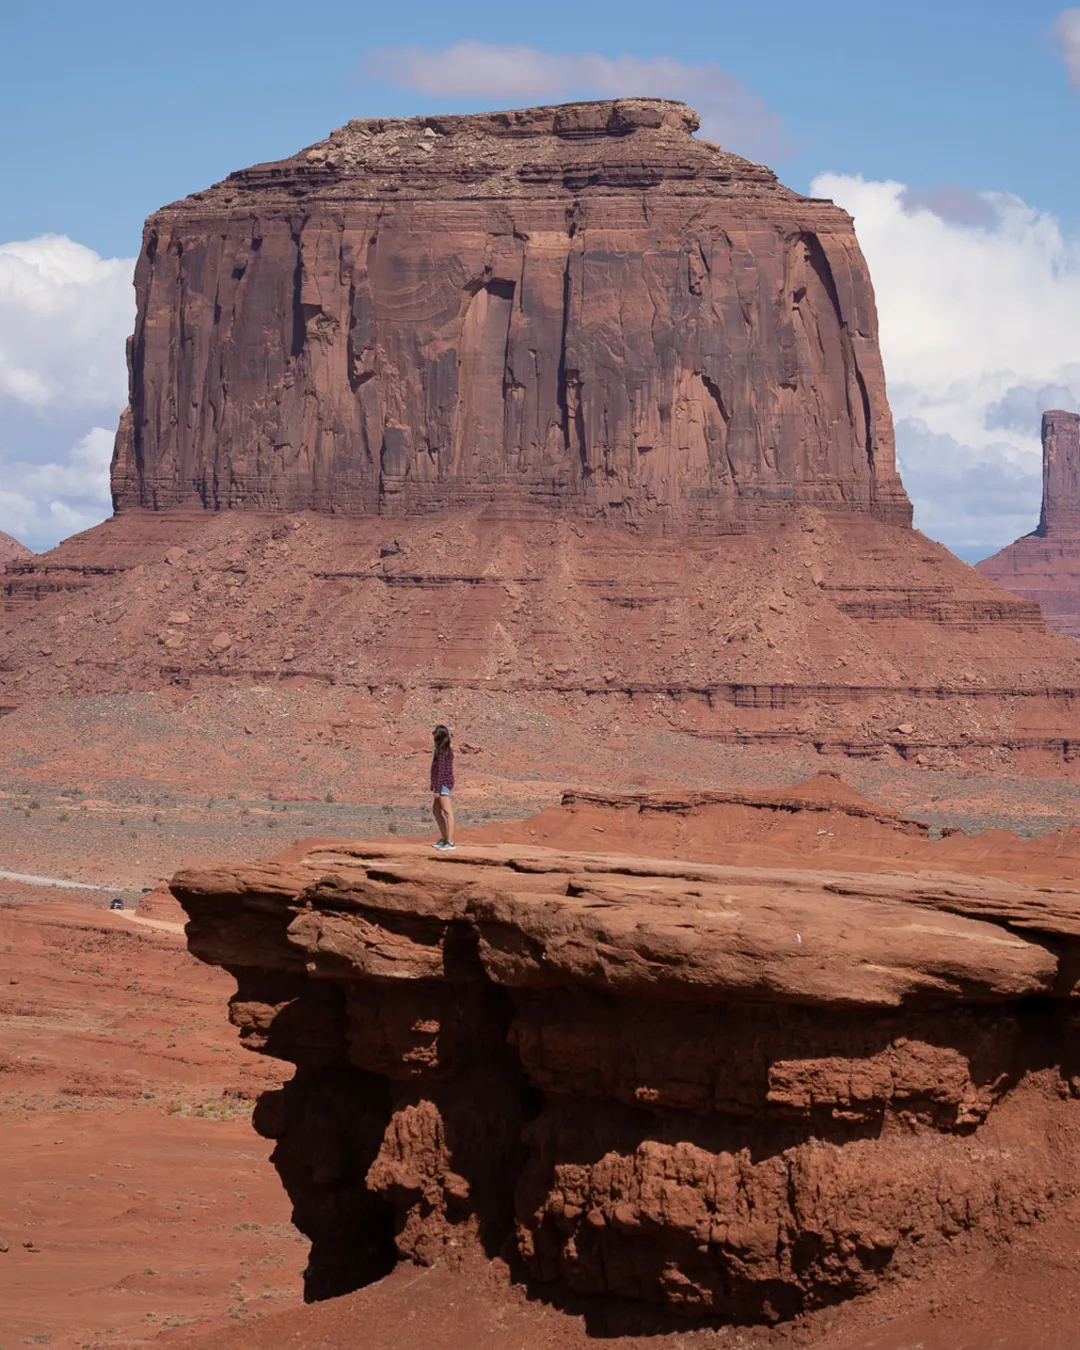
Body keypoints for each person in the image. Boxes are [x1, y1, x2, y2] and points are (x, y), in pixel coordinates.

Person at [430, 724, 456, 850]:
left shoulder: (442, 752)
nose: (433, 734)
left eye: (434, 733)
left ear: (438, 736)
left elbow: (440, 771)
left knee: (448, 812)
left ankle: (450, 842)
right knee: (436, 810)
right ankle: (445, 839)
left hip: (443, 784)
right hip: (442, 784)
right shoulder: (444, 750)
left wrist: (437, 789)